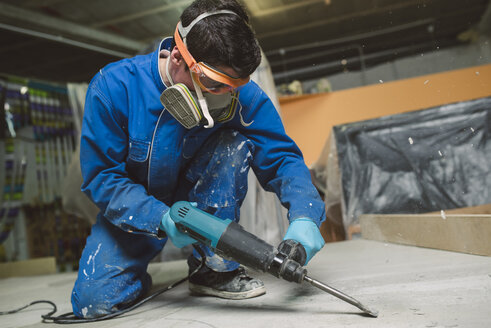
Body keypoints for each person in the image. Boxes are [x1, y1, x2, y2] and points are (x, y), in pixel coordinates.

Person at [72, 0, 325, 318]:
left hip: (205, 208)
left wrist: (305, 215)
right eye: (213, 83)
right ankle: (134, 267)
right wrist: (158, 218)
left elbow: (281, 156)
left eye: (235, 86)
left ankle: (213, 268)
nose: (224, 97)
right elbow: (102, 176)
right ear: (178, 57)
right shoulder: (113, 88)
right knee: (93, 302)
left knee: (232, 143)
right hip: (136, 211)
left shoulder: (239, 97)